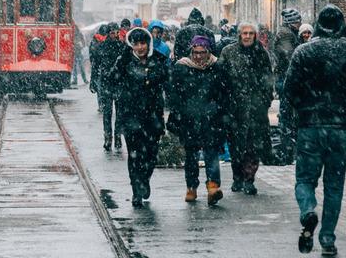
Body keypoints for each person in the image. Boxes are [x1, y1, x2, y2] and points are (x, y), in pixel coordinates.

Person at [283, 4, 346, 256]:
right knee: (334, 186)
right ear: (342, 25)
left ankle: (308, 211)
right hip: (340, 128)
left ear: (318, 24)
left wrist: (304, 108)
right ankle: (328, 238)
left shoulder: (303, 52)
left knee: (304, 180)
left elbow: (289, 89)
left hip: (310, 126)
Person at [107, 27, 168, 207]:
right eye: (136, 44)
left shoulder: (158, 60)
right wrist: (122, 95)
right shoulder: (124, 60)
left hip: (152, 116)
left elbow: (168, 83)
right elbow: (111, 80)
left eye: (143, 43)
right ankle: (136, 189)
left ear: (148, 43)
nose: (140, 47)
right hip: (131, 115)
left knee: (150, 154)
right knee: (134, 155)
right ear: (131, 44)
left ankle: (145, 179)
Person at [168, 35, 227, 205]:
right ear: (191, 51)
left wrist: (222, 114)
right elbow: (175, 95)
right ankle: (191, 188)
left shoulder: (217, 67)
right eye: (196, 52)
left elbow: (224, 94)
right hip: (190, 119)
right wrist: (178, 114)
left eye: (202, 52)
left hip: (212, 119)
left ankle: (213, 187)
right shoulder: (182, 68)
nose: (199, 56)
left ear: (208, 52)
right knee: (191, 156)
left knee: (211, 154)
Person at [217, 22, 273, 195]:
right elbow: (221, 77)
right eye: (244, 33)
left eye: (250, 33)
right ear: (239, 35)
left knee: (253, 145)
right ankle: (237, 177)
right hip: (235, 107)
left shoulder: (261, 53)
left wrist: (265, 100)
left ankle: (249, 178)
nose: (247, 36)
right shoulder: (229, 52)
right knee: (236, 145)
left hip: (256, 108)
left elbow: (267, 78)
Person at [272, 8, 302, 164]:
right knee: (287, 115)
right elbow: (289, 57)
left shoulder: (288, 33)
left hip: (285, 78)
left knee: (287, 114)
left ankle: (288, 147)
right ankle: (286, 150)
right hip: (286, 79)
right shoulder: (286, 34)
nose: (299, 24)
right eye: (297, 21)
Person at [93, 23, 125, 151]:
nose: (115, 35)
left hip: (118, 83)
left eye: (116, 32)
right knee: (107, 113)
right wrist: (93, 81)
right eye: (112, 32)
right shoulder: (102, 47)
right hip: (106, 83)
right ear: (108, 33)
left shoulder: (122, 47)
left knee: (120, 113)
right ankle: (107, 137)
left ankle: (117, 136)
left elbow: (126, 66)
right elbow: (96, 65)